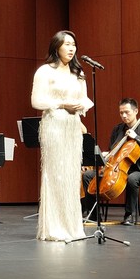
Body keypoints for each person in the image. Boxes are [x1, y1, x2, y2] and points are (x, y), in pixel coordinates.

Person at [31, 30, 93, 242]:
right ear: (56, 47)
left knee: (71, 176)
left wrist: (80, 107)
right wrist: (62, 104)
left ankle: (72, 228)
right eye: (67, 44)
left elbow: (84, 98)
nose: (71, 48)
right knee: (56, 174)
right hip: (54, 125)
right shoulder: (44, 71)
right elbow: (37, 101)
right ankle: (54, 228)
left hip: (72, 126)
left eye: (73, 44)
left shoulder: (78, 72)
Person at [82, 98, 140, 225]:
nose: (124, 115)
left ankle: (129, 215)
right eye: (121, 113)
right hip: (117, 167)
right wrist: (107, 154)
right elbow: (113, 150)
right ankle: (94, 215)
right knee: (87, 175)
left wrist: (137, 137)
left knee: (132, 179)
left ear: (136, 111)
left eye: (127, 112)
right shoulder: (117, 129)